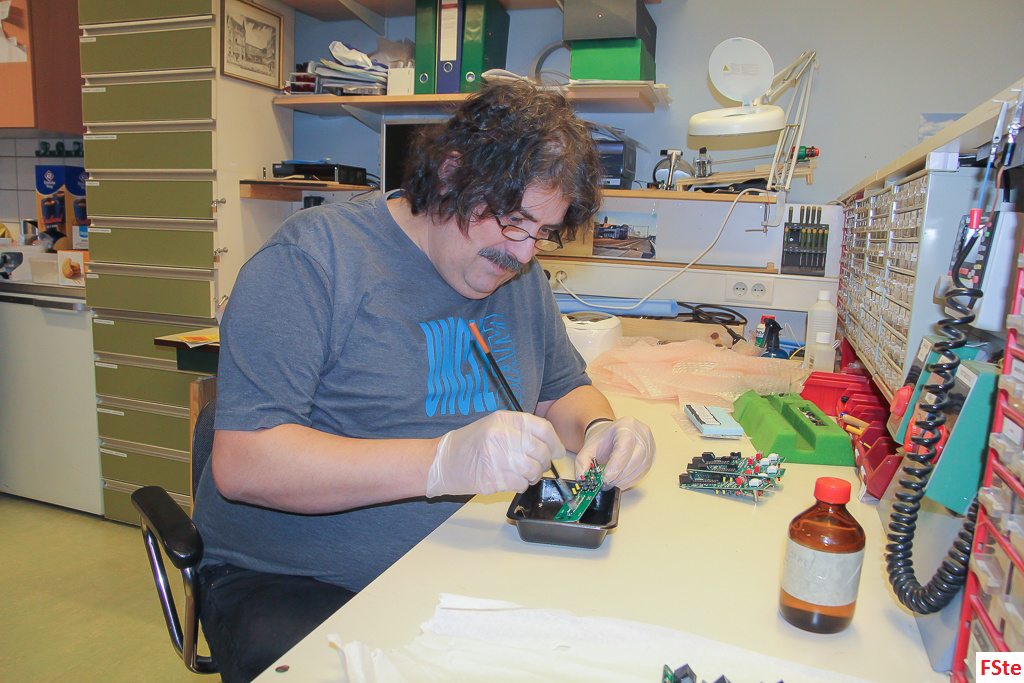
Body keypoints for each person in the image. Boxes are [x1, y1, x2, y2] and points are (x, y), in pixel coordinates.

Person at [191, 78, 656, 683]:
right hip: (294, 580)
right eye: (514, 222)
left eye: (542, 233)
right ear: (450, 175)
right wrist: (441, 463)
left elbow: (561, 389)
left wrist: (600, 428)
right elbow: (244, 463)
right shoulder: (313, 261)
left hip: (457, 563)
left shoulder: (520, 279)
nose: (524, 254)